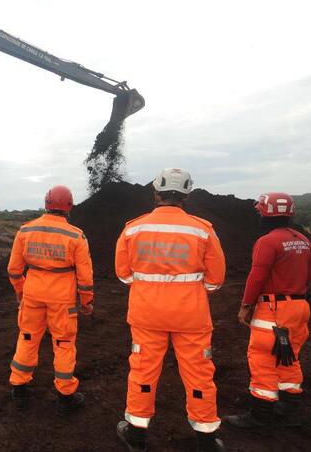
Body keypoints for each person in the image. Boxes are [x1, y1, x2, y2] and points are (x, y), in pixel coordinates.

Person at [114, 168, 226, 452]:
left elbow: (124, 274)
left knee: (143, 371)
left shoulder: (133, 228)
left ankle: (137, 436)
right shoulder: (202, 230)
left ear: (156, 194)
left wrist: (148, 286)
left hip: (146, 313)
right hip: (191, 315)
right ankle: (206, 440)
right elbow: (216, 279)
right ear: (186, 197)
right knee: (199, 373)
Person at [224, 192, 311, 429]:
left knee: (263, 358)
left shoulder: (267, 242)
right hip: (300, 306)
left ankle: (260, 415)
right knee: (289, 356)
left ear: (266, 213)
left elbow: (257, 277)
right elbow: (308, 276)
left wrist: (246, 306)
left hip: (274, 309)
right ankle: (290, 406)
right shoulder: (303, 241)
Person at [6, 185, 94, 416]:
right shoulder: (76, 235)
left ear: (46, 204)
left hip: (33, 293)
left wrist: (20, 290)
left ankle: (19, 387)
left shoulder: (25, 231)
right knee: (63, 343)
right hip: (62, 298)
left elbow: (14, 269)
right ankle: (65, 397)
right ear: (69, 207)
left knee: (27, 337)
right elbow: (85, 276)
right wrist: (86, 300)